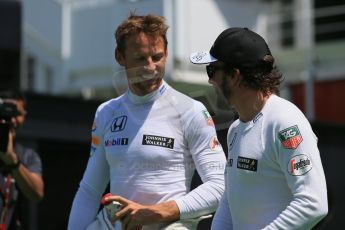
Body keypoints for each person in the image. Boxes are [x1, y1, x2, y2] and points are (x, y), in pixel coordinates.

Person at [68, 12, 226, 230]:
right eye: (140, 59)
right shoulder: (106, 112)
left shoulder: (192, 110)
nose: (151, 67)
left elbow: (220, 185)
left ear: (167, 53)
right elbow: (90, 190)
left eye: (157, 57)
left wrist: (158, 213)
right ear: (120, 57)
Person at [190, 27, 328, 229]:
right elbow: (230, 201)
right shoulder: (235, 129)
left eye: (212, 70)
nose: (210, 80)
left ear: (235, 75)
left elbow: (313, 204)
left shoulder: (286, 122)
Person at [0, 89, 44, 230]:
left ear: (24, 116)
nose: (11, 120)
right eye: (5, 112)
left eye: (16, 113)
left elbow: (37, 193)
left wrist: (13, 162)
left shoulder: (27, 156)